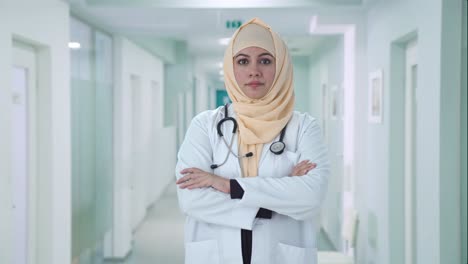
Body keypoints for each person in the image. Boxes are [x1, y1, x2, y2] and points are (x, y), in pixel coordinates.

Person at [175, 17, 329, 264]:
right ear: (231, 67)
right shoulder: (204, 126)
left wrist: (226, 185)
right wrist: (280, 195)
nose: (254, 71)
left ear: (280, 67)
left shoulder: (303, 128)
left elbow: (311, 198)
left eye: (265, 61)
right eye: (243, 61)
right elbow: (191, 200)